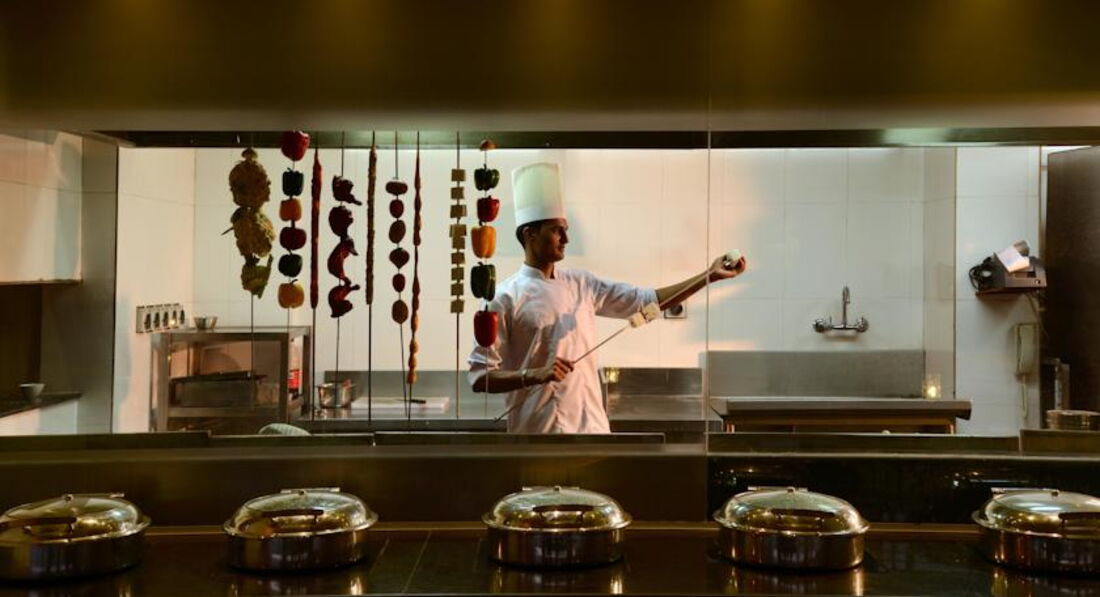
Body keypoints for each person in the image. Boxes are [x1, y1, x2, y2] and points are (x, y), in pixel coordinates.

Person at [468, 162, 746, 433]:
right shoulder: (503, 298)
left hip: (593, 432)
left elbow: (647, 301)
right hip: (537, 435)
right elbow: (480, 377)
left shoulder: (582, 283)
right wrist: (533, 374)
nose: (565, 238)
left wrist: (709, 275)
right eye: (556, 230)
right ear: (530, 234)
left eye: (566, 229)